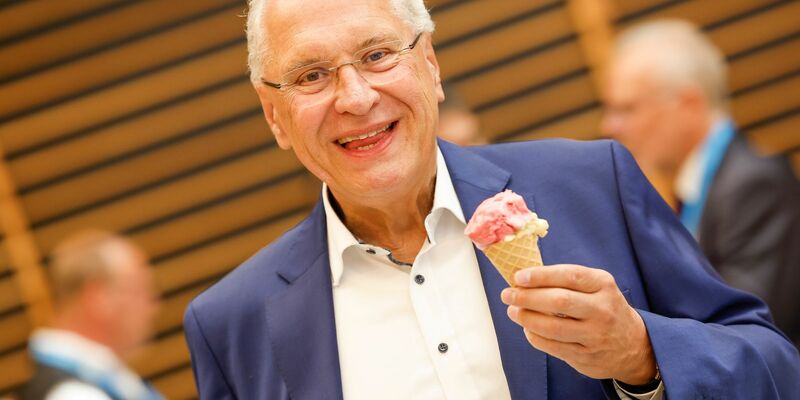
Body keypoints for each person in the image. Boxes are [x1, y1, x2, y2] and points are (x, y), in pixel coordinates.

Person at [183, 1, 800, 399]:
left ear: (430, 65)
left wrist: (643, 353)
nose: (355, 97)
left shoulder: (594, 184)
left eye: (377, 56)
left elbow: (775, 367)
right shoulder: (231, 326)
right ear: (274, 116)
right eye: (311, 75)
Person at [601, 19, 800, 347]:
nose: (610, 125)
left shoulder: (753, 185)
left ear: (689, 104)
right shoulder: (702, 187)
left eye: (627, 108)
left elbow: (746, 326)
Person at [21, 231, 162, 400]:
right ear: (99, 298)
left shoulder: (98, 378)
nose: (154, 307)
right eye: (139, 292)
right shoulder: (75, 394)